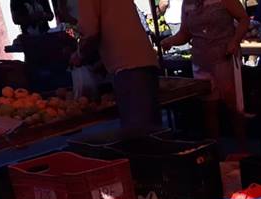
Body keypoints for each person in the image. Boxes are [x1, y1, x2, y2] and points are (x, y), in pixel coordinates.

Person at [160, 0, 249, 139]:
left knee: (233, 107)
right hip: (201, 62)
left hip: (225, 58)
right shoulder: (187, 3)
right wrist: (170, 41)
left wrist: (235, 40)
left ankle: (242, 146)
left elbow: (244, 19)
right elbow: (185, 33)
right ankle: (215, 148)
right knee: (209, 109)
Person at [75, 0, 161, 133]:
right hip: (145, 61)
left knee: (140, 135)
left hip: (128, 68)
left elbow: (90, 31)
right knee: (153, 132)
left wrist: (79, 55)